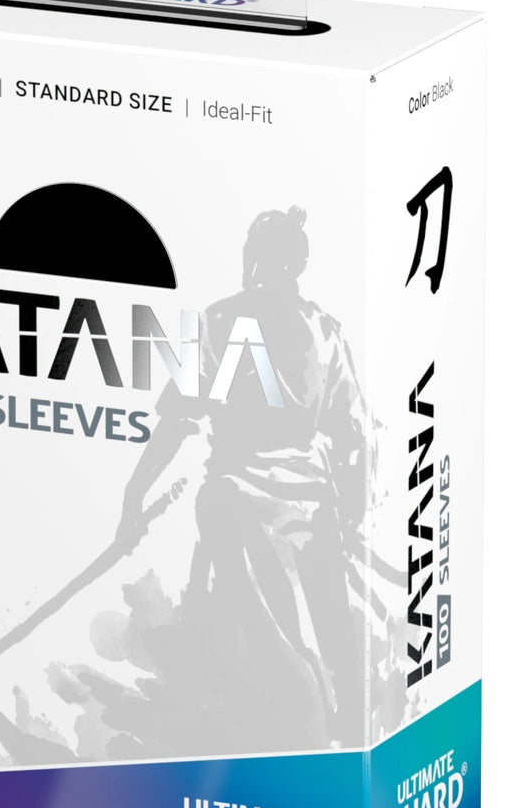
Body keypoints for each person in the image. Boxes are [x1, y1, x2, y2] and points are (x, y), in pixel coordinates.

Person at [115, 206, 370, 744]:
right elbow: (352, 436)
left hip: (242, 507)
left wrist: (133, 498)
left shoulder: (219, 321)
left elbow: (175, 423)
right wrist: (350, 515)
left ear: (259, 259)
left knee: (285, 644)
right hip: (305, 509)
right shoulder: (324, 331)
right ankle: (336, 738)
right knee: (325, 641)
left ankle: (315, 738)